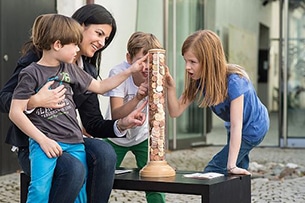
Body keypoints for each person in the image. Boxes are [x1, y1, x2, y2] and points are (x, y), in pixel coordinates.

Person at [0, 4, 146, 203]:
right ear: (80, 27)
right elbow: (6, 100)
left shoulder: (80, 70)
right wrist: (35, 101)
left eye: (106, 39)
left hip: (70, 140)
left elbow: (94, 117)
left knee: (105, 152)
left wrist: (122, 123)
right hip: (38, 141)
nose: (102, 43)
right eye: (99, 33)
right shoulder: (34, 65)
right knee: (67, 172)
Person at [165, 30, 269, 175]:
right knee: (236, 171)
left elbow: (237, 124)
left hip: (254, 126)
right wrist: (171, 88)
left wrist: (231, 165)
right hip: (234, 127)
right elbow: (175, 111)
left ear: (209, 61)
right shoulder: (199, 80)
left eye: (192, 62)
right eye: (186, 61)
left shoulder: (235, 81)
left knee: (215, 169)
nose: (187, 67)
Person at [104, 31, 166, 203]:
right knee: (101, 178)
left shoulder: (156, 74)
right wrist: (137, 97)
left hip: (143, 136)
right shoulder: (118, 72)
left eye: (151, 60)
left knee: (155, 181)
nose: (147, 66)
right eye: (142, 60)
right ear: (129, 58)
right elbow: (116, 114)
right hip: (114, 137)